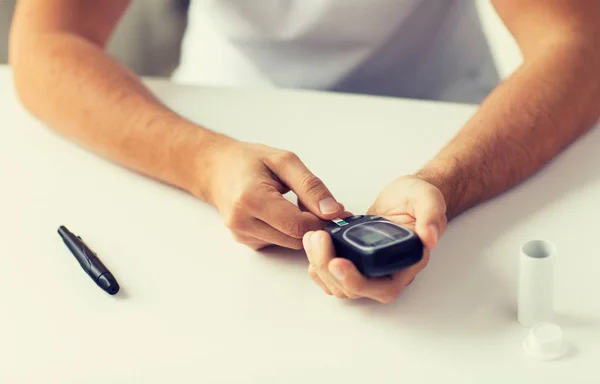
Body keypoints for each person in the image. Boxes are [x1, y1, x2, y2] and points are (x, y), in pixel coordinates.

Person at [8, 1, 600, 303]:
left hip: (452, 119)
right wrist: (203, 162)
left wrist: (448, 182)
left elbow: (579, 45)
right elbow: (45, 43)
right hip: (220, 111)